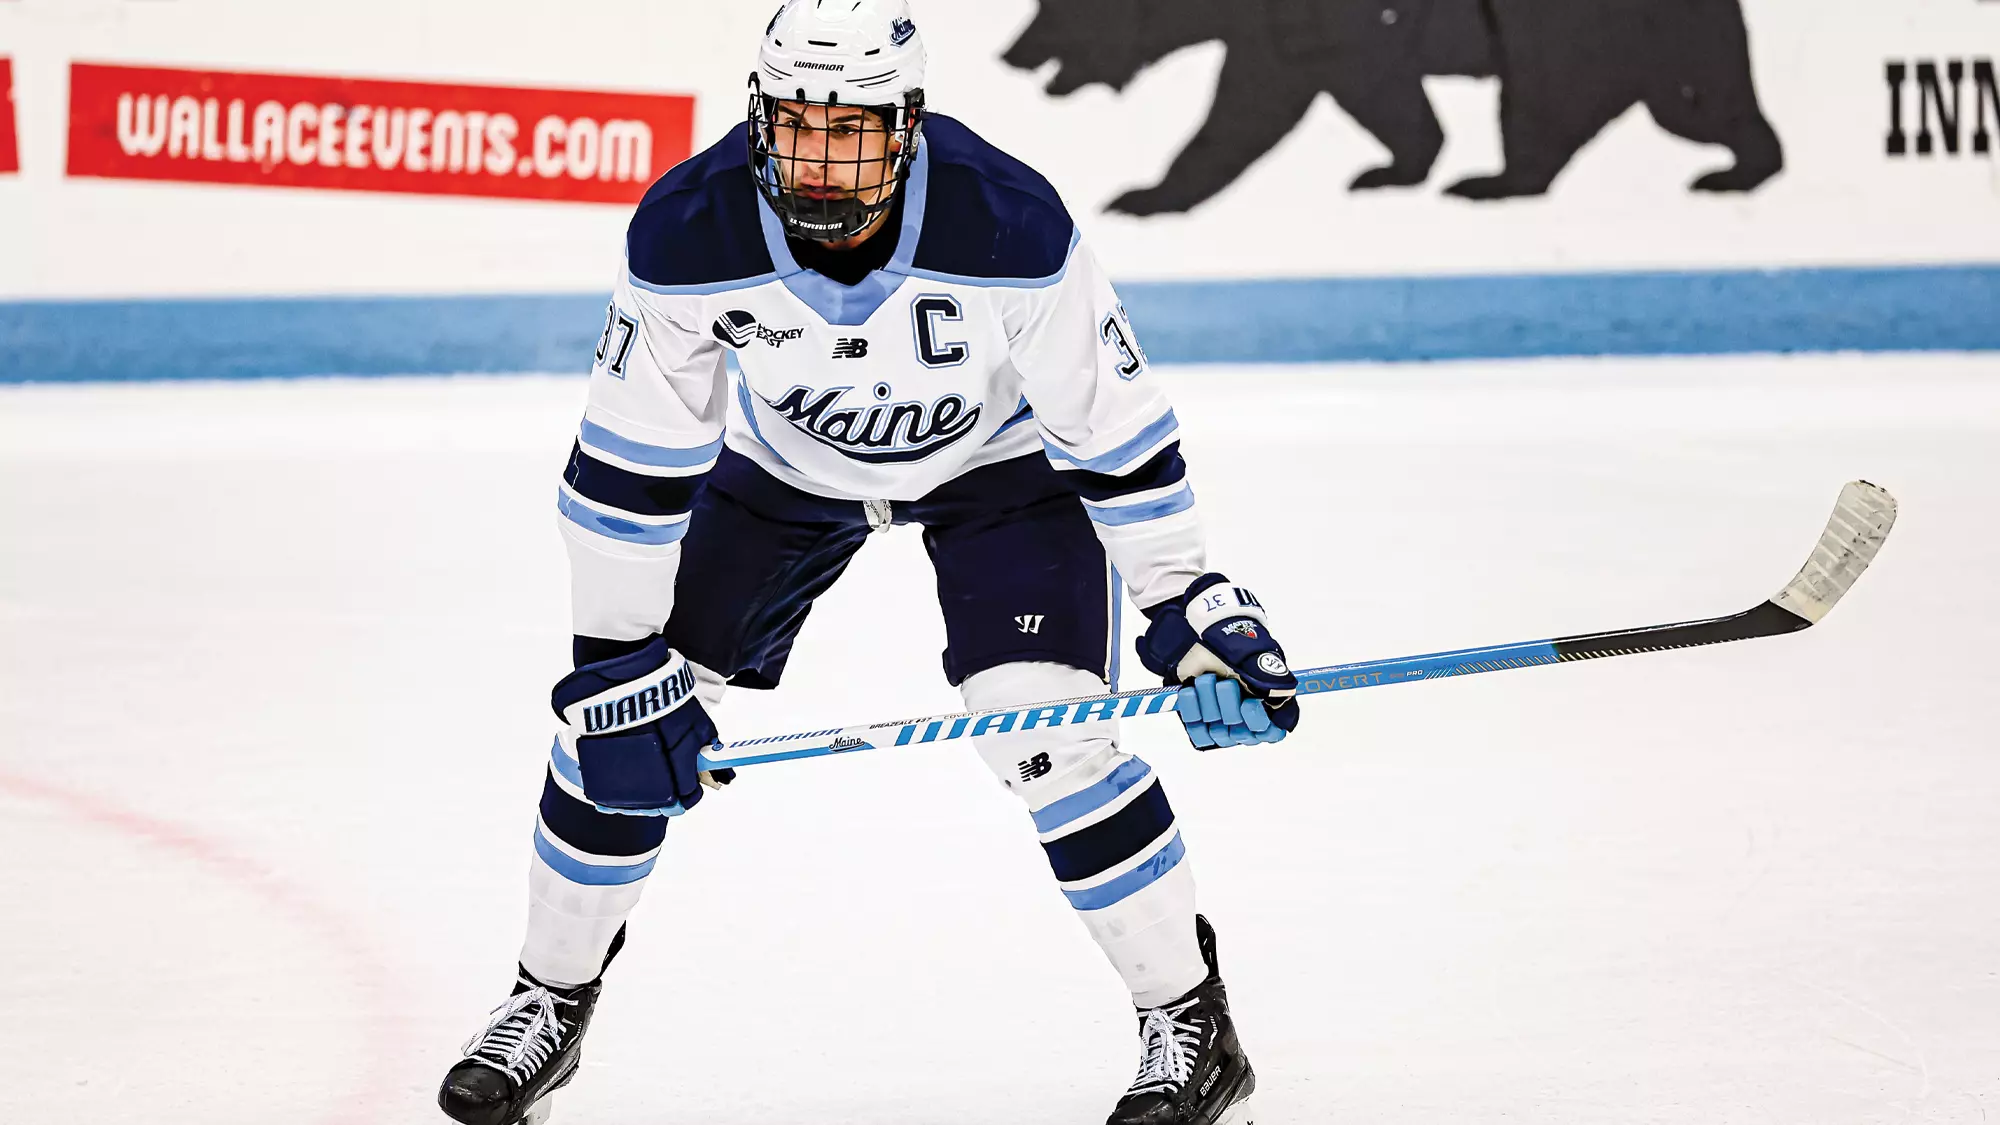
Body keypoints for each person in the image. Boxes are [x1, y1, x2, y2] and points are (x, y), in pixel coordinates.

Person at [437, 3, 1298, 1123]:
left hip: (999, 475)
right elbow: (625, 470)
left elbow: (1114, 433)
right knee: (606, 741)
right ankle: (545, 1003)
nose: (822, 160)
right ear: (757, 119)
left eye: (852, 131)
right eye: (797, 126)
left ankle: (1189, 1022)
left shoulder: (1012, 224)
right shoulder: (687, 232)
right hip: (781, 476)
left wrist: (1184, 604)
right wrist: (610, 664)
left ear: (907, 125)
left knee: (1045, 732)